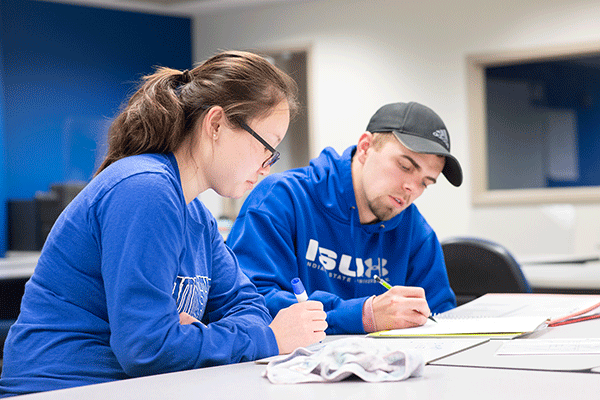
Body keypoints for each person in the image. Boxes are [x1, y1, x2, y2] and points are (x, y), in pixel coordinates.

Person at [0, 50, 327, 397]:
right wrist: (271, 338)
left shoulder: (195, 215)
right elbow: (149, 349)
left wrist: (192, 335)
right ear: (215, 124)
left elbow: (249, 306)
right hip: (62, 389)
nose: (268, 166)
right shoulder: (145, 188)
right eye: (267, 147)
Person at [227, 101, 462, 335]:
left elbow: (439, 315)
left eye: (425, 183)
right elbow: (250, 301)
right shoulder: (281, 199)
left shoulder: (415, 231)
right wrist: (361, 316)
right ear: (365, 147)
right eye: (404, 166)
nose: (412, 188)